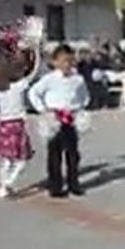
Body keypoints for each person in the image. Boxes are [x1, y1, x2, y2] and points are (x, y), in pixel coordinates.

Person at [28, 45, 90, 198]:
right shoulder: (49, 79)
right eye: (63, 61)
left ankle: (73, 183)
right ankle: (55, 186)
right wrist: (43, 109)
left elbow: (85, 96)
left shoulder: (78, 79)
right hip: (54, 119)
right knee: (54, 153)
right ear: (55, 62)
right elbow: (33, 92)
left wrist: (80, 108)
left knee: (73, 153)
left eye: (70, 61)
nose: (67, 64)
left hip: (71, 118)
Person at [0, 45, 41, 199]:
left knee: (7, 159)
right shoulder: (19, 86)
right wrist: (36, 52)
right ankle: (7, 184)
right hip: (17, 125)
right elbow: (34, 72)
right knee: (21, 160)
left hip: (4, 125)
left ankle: (4, 186)